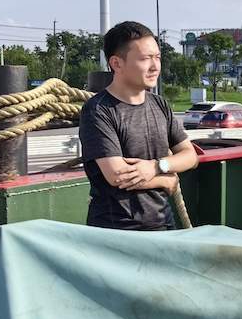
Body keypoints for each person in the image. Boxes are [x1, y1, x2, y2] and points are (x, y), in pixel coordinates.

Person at [79, 21, 199, 230]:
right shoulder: (98, 110)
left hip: (163, 225)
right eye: (145, 59)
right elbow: (117, 175)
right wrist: (164, 181)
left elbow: (190, 156)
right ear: (117, 63)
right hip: (116, 232)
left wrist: (156, 167)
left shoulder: (159, 104)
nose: (155, 66)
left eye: (157, 57)